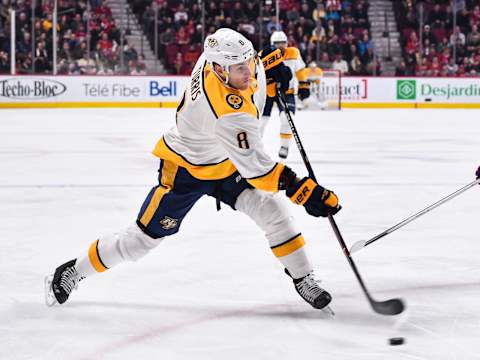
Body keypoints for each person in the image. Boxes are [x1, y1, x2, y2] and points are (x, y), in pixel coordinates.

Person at [45, 28, 341, 311]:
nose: (248, 73)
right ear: (221, 71)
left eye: (248, 64)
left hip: (226, 163)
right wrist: (304, 191)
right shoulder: (226, 111)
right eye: (241, 69)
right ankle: (73, 270)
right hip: (187, 169)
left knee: (272, 211)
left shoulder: (215, 55)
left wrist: (263, 64)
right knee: (139, 241)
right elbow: (260, 171)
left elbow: (246, 62)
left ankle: (303, 277)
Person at [261, 31, 309, 160]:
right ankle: (256, 147)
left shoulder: (293, 53)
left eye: (282, 43)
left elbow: (300, 70)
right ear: (272, 44)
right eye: (277, 43)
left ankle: (284, 146)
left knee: (287, 118)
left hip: (287, 92)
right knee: (261, 121)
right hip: (268, 93)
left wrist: (304, 85)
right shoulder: (265, 55)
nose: (280, 46)